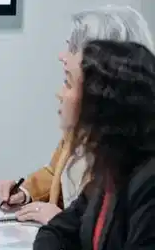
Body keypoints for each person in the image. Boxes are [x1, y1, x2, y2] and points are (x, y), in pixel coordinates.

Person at [0, 5, 155, 224]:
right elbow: (57, 176)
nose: (62, 56)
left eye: (74, 47)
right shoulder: (86, 126)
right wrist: (25, 192)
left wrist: (63, 224)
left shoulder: (136, 159)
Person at [33, 40, 155, 249]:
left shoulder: (148, 183)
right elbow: (57, 231)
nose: (60, 94)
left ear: (99, 100)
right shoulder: (108, 170)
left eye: (68, 83)